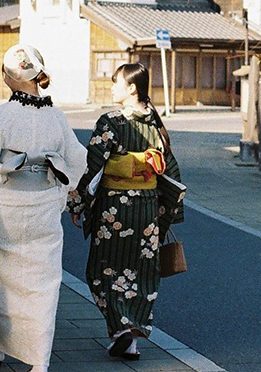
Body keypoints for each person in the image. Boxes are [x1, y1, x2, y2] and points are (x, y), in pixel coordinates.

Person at [0, 44, 87, 372]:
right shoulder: (57, 116)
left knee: (3, 283)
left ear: (8, 78)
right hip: (44, 207)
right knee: (43, 284)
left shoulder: (0, 116)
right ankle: (39, 362)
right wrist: (65, 193)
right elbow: (78, 159)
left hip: (6, 207)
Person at [67, 63, 186, 360]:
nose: (111, 87)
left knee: (103, 269)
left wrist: (78, 202)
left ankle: (120, 330)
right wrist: (168, 210)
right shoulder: (156, 123)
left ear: (132, 87)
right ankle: (132, 339)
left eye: (115, 82)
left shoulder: (112, 122)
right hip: (146, 210)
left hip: (114, 210)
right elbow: (170, 170)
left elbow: (93, 166)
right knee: (142, 271)